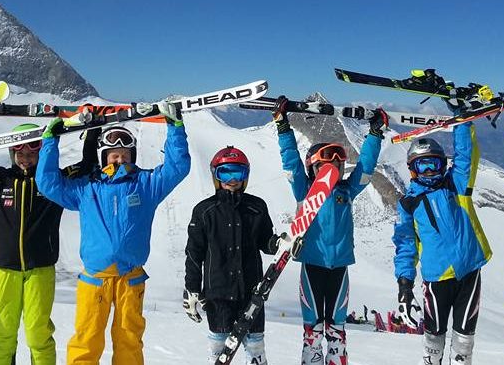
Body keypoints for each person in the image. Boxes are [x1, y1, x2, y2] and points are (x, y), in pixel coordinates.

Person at [35, 102, 191, 365]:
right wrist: (50, 141)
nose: (120, 160)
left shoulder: (146, 184)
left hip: (131, 279)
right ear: (104, 157)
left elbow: (177, 169)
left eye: (125, 155)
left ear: (133, 156)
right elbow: (48, 183)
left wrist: (175, 127)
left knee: (129, 340)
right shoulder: (87, 189)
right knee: (87, 340)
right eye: (114, 155)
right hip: (95, 279)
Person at [0, 109, 98, 365]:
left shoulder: (53, 182)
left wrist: (92, 132)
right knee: (4, 332)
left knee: (38, 334)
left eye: (32, 153)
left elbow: (86, 167)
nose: (25, 159)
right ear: (12, 153)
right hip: (6, 270)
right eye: (20, 154)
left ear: (40, 153)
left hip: (41, 269)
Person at [273, 96, 386, 365]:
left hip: (339, 267)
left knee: (336, 328)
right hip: (312, 264)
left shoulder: (346, 192)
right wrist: (282, 127)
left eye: (337, 164)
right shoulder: (305, 191)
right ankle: (311, 356)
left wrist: (374, 134)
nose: (333, 168)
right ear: (313, 166)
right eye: (326, 163)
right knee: (313, 329)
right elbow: (291, 164)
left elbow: (365, 168)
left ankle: (336, 356)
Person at [392, 116, 492, 365]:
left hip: (469, 272)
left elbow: (465, 157)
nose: (429, 172)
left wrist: (464, 121)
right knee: (434, 338)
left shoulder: (456, 185)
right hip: (436, 279)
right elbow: (405, 245)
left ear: (443, 164)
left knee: (464, 340)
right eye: (423, 166)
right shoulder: (408, 204)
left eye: (434, 164)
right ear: (413, 169)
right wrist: (405, 286)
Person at [184, 146, 279, 365]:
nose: (232, 180)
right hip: (218, 294)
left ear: (246, 176)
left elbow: (266, 241)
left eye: (238, 173)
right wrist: (192, 288)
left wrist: (277, 243)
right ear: (215, 176)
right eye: (225, 173)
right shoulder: (204, 210)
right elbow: (193, 253)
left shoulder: (256, 207)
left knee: (255, 345)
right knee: (219, 346)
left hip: (252, 291)